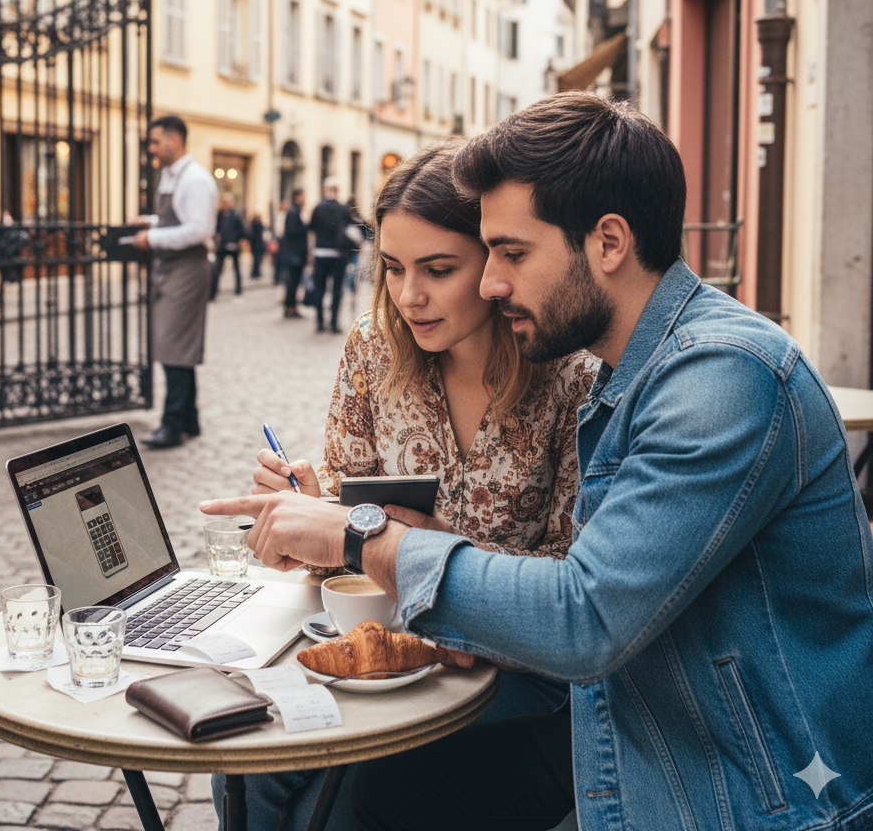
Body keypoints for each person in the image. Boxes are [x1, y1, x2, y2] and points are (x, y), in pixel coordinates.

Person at [203, 93, 873, 831]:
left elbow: (582, 616)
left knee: (352, 803)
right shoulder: (633, 374)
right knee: (269, 773)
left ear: (609, 242)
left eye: (511, 254)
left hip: (749, 792)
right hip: (641, 728)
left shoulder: (720, 378)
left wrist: (360, 534)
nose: (491, 284)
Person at [211, 144, 598, 829]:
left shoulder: (566, 375)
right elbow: (345, 533)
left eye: (438, 269)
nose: (409, 296)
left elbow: (576, 580)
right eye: (392, 268)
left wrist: (419, 548)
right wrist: (311, 511)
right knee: (246, 767)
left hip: (502, 670)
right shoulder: (371, 348)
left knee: (340, 807)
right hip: (373, 643)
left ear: (493, 263)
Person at [132, 115, 217, 448]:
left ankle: (173, 424)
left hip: (187, 268)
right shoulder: (172, 176)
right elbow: (176, 219)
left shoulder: (195, 178)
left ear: (175, 140)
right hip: (171, 268)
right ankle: (189, 420)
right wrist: (151, 221)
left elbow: (199, 229)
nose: (151, 148)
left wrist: (152, 237)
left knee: (174, 347)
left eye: (155, 141)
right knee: (175, 347)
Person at [308, 177, 351, 333]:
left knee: (319, 288)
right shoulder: (343, 209)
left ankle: (319, 321)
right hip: (339, 254)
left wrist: (310, 252)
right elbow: (350, 230)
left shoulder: (318, 208)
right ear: (337, 191)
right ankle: (333, 322)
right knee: (337, 289)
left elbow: (311, 231)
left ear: (325, 190)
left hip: (320, 253)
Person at [210, 193, 248, 298]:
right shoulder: (219, 215)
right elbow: (215, 228)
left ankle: (238, 288)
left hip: (234, 245)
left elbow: (242, 229)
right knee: (218, 268)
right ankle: (213, 291)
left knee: (236, 268)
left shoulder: (236, 215)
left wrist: (240, 240)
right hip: (222, 245)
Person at [280, 188, 308, 318]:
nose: (305, 199)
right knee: (292, 281)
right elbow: (291, 231)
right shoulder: (293, 212)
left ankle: (292, 306)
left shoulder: (296, 211)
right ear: (297, 197)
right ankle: (290, 307)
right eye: (303, 196)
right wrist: (305, 228)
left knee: (294, 281)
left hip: (295, 253)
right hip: (294, 254)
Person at [248, 212, 266, 280]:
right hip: (256, 244)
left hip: (258, 244)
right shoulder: (254, 224)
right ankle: (255, 272)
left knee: (257, 259)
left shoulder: (255, 224)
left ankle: (256, 272)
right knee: (257, 259)